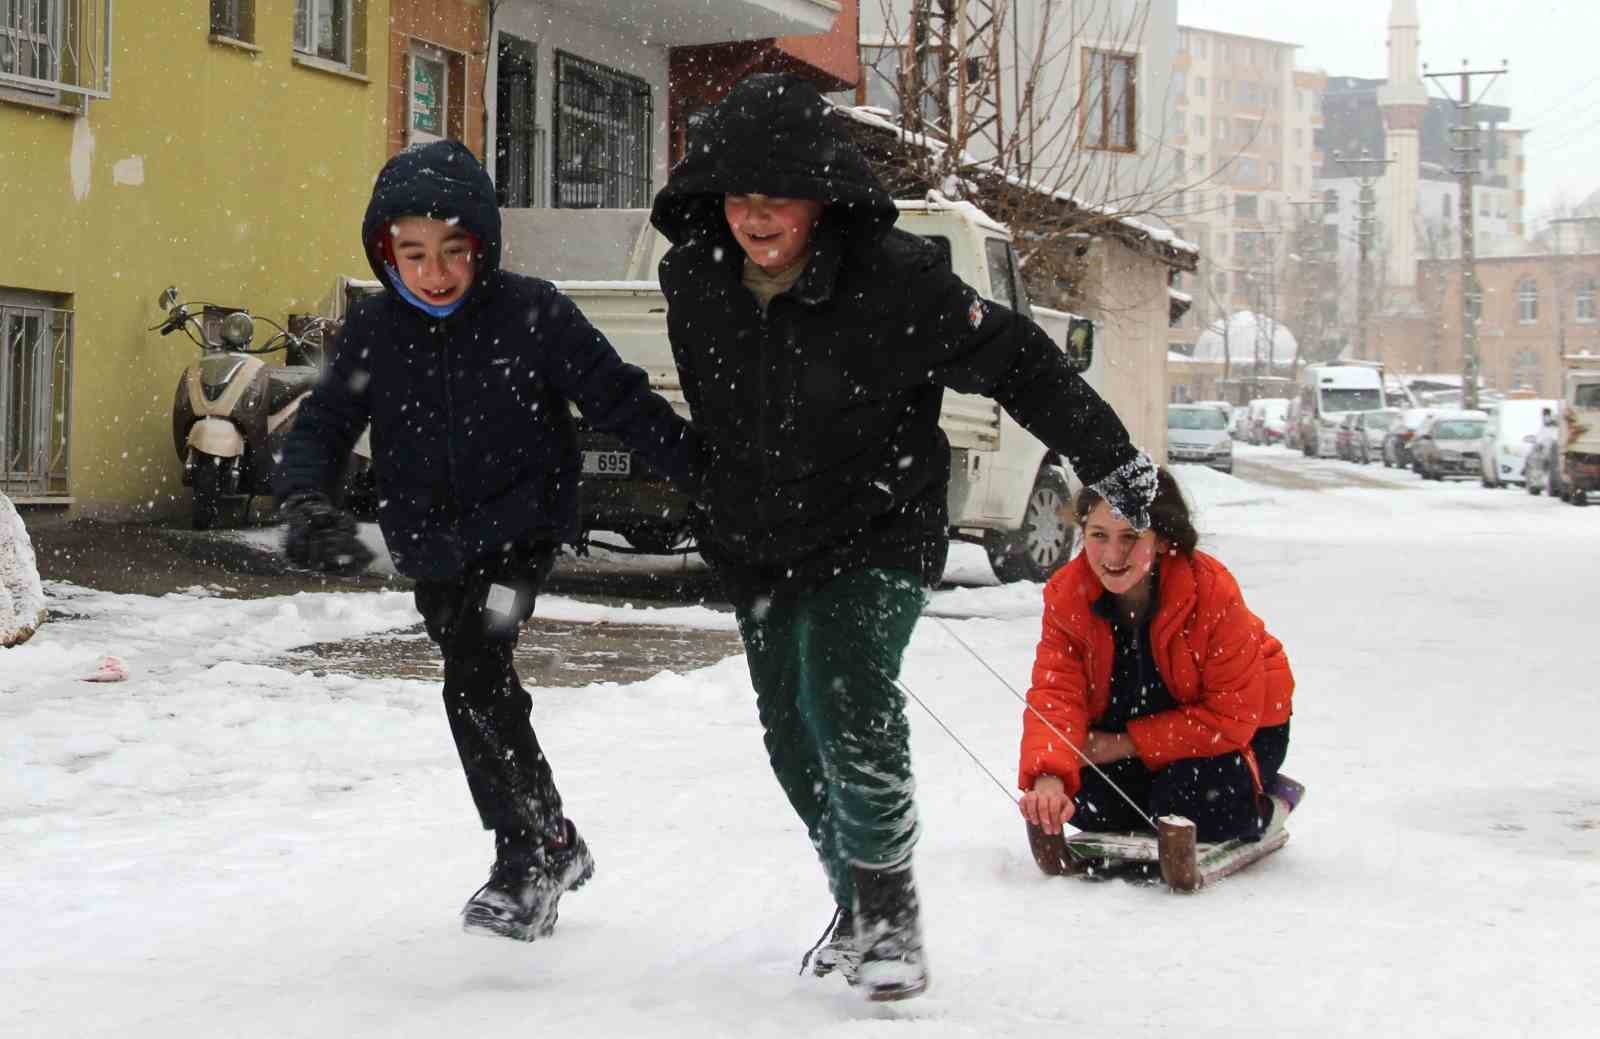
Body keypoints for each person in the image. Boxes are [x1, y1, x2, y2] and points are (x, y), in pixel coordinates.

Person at [648, 72, 1156, 1002]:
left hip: (878, 526)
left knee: (846, 689)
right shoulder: (693, 277)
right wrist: (710, 493)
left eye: (779, 195)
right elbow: (722, 414)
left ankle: (889, 914)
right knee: (792, 735)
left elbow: (1019, 361)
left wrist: (1110, 458)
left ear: (821, 195)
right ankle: (852, 902)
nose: (756, 217)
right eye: (739, 196)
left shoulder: (897, 280)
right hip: (760, 539)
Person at [274, 139, 703, 943]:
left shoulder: (532, 313)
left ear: (482, 246)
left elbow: (619, 399)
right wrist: (304, 498)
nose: (433, 272)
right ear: (385, 251)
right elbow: (325, 424)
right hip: (429, 546)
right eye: (412, 254)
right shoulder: (374, 329)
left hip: (518, 536)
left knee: (474, 671)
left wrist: (705, 477)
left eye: (452, 251)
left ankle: (527, 854)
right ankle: (556, 836)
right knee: (476, 678)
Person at [1017, 467, 1297, 869]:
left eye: (1130, 537)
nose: (1112, 555)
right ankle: (1155, 795)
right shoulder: (1067, 594)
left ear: (1163, 538)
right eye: (1099, 536)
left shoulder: (1212, 589)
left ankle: (1269, 803)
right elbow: (1056, 692)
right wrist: (1049, 777)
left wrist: (1119, 746)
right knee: (1087, 801)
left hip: (1243, 731)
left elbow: (1231, 717)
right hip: (1143, 724)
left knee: (1190, 800)